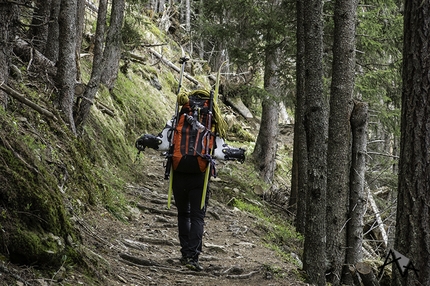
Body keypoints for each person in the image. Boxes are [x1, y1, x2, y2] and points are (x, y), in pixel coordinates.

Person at [135, 89, 245, 272]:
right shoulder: (211, 121)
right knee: (197, 216)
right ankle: (192, 257)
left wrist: (145, 140)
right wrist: (238, 153)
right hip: (200, 176)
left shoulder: (178, 117)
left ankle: (185, 252)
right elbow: (219, 152)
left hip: (178, 173)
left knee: (183, 214)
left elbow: (162, 144)